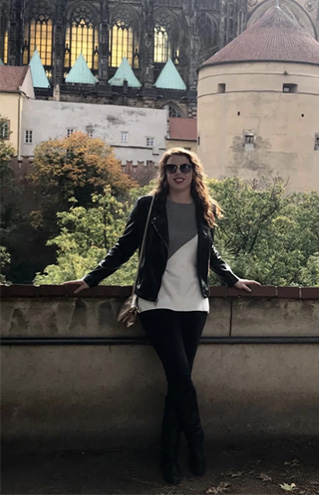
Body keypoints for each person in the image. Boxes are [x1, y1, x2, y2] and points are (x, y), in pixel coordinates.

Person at [63, 148, 259, 485]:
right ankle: (196, 443)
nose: (178, 173)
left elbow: (209, 251)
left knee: (177, 383)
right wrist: (91, 279)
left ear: (194, 172)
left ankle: (169, 457)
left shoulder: (204, 208)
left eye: (184, 168)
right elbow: (123, 248)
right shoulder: (148, 206)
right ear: (164, 173)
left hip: (195, 303)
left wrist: (232, 279)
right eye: (172, 168)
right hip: (157, 302)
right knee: (181, 376)